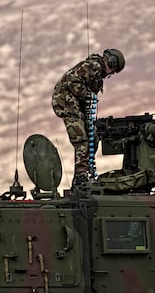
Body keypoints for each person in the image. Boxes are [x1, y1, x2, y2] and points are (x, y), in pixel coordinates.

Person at [52, 48, 125, 188]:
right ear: (111, 63)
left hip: (77, 107)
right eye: (113, 70)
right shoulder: (93, 66)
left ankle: (84, 173)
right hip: (66, 103)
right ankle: (81, 177)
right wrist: (87, 95)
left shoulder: (97, 74)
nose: (111, 73)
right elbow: (72, 81)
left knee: (94, 138)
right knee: (82, 140)